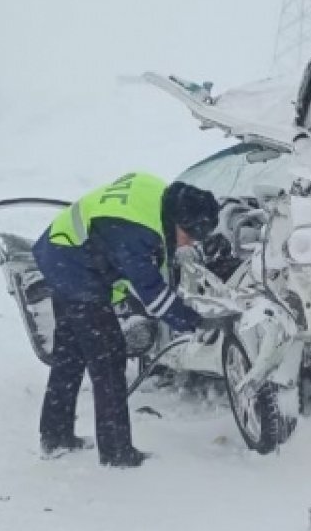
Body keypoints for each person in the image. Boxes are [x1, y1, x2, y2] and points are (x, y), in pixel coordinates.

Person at [31, 171, 221, 467]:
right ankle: (117, 453)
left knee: (70, 353)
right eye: (191, 236)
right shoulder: (137, 234)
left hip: (59, 250)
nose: (189, 244)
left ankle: (55, 436)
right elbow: (153, 294)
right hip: (75, 270)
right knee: (109, 359)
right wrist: (195, 321)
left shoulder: (156, 192)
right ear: (178, 223)